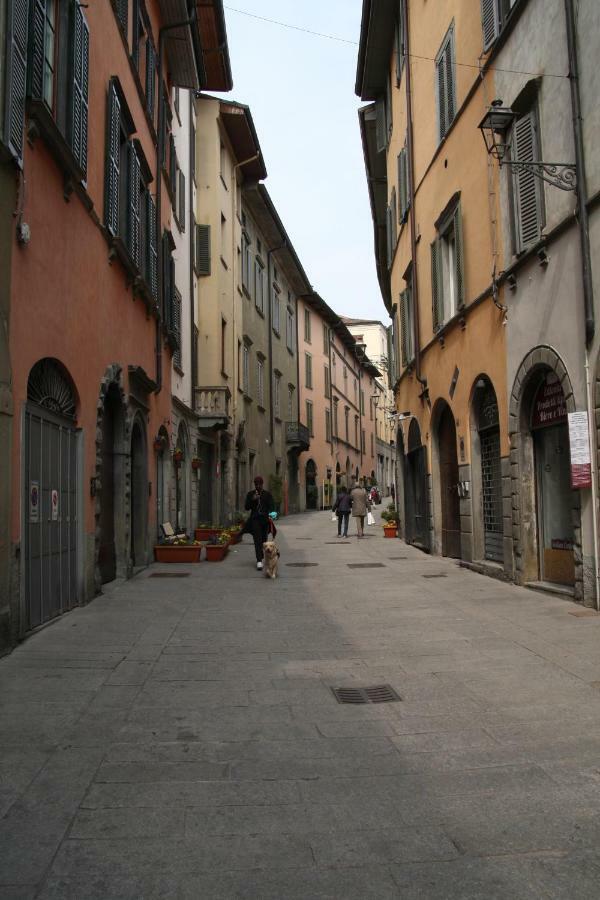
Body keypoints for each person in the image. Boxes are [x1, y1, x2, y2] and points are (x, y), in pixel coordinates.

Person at [244, 476, 275, 570]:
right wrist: (253, 499)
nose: (258, 486)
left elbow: (272, 506)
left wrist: (272, 514)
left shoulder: (267, 494)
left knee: (263, 541)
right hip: (255, 520)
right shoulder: (250, 494)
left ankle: (263, 556)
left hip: (264, 521)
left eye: (259, 484)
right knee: (257, 540)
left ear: (262, 484)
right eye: (256, 484)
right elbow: (246, 507)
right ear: (254, 484)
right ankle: (259, 561)